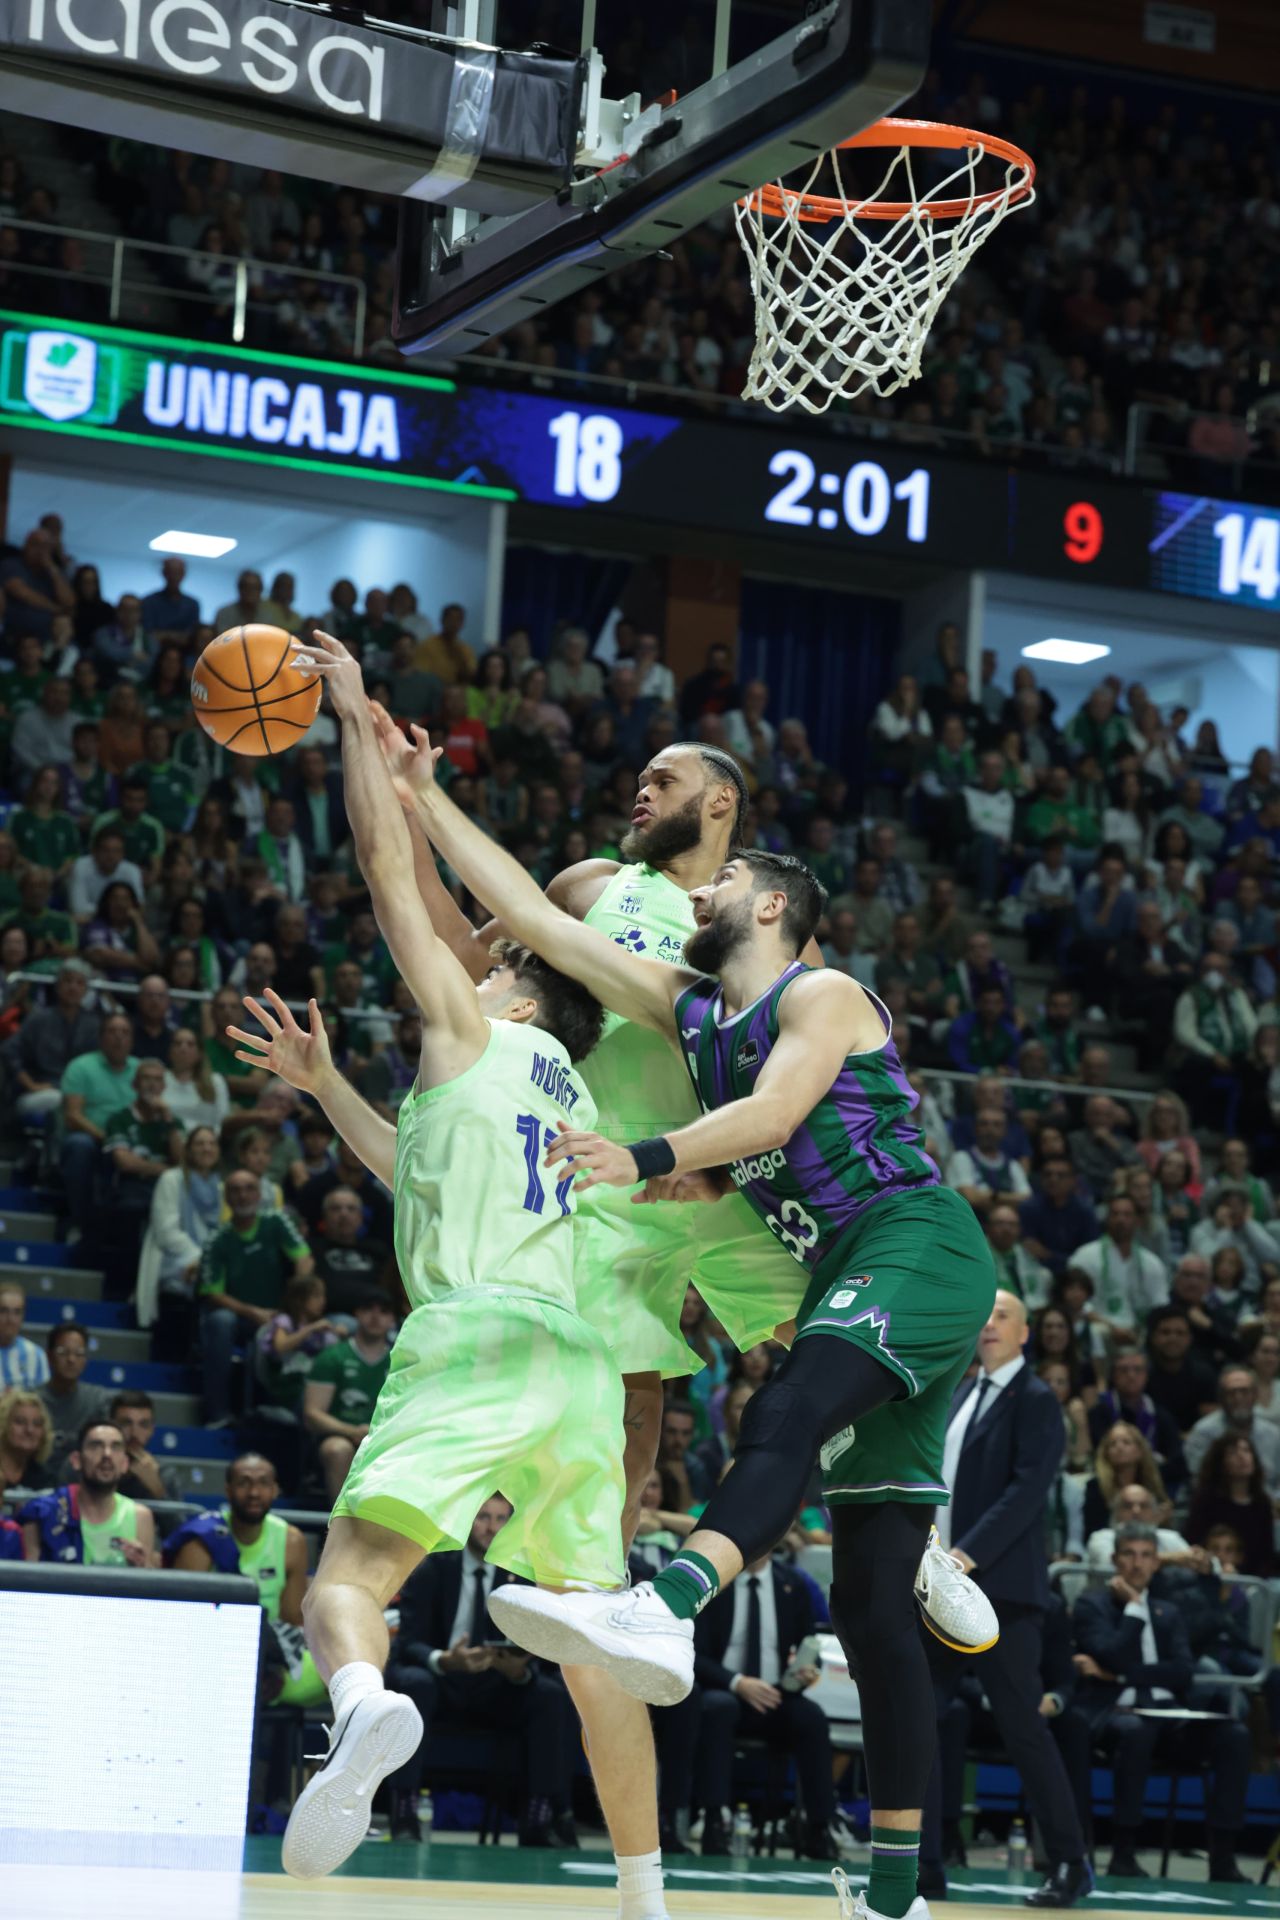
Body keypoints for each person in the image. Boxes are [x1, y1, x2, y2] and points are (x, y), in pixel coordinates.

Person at [386, 712, 998, 1920]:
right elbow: (544, 919)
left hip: (899, 1243)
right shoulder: (690, 1011)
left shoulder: (822, 992)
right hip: (810, 1255)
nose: (701, 894)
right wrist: (422, 800)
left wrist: (643, 1148)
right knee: (873, 1612)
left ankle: (660, 1608)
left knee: (787, 1404)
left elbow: (772, 1122)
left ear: (767, 905)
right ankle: (892, 1895)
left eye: (723, 884)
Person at [229, 641, 649, 1915]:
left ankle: (360, 1707)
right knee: (592, 1660)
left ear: (514, 982)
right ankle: (647, 1894)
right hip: (577, 1371)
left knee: (345, 1582)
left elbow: (376, 872)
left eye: (490, 950)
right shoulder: (562, 1088)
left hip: (470, 1340)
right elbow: (419, 1166)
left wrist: (353, 721)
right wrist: (325, 1091)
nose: (470, 952)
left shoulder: (469, 1025)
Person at [923, 1291, 1093, 1909]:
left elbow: (1027, 1492)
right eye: (983, 1314)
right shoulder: (962, 1393)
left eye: (1002, 1316)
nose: (989, 1324)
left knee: (1023, 1729)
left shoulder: (1039, 1400)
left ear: (1027, 1334)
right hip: (940, 1586)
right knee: (919, 1719)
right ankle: (924, 1865)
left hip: (999, 1591)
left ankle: (1072, 1863)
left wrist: (965, 1554)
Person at [383, 1497, 581, 1847]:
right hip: (442, 1681)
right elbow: (408, 1644)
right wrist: (444, 1660)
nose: (492, 1528)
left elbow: (541, 1648)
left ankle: (539, 1816)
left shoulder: (522, 1575)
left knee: (549, 1695)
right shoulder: (433, 1567)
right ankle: (404, 1813)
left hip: (495, 1684)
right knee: (414, 1684)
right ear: (467, 1520)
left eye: (501, 1519)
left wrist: (519, 1670)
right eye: (484, 1518)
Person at [1071, 1523, 1251, 1882]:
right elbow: (1111, 1652)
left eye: (1146, 1556)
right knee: (1137, 1731)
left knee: (1235, 1735)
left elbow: (1182, 1671)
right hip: (1116, 1715)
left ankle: (1223, 1859)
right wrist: (1135, 1611)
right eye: (1129, 1555)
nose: (1138, 1564)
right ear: (1114, 1560)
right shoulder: (1092, 1604)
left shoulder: (1169, 1610)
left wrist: (1118, 1675)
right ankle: (1123, 1853)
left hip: (1169, 1715)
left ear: (1156, 1563)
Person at [692, 1549, 840, 1861]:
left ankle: (818, 1827)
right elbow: (695, 1653)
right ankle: (714, 1821)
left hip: (775, 1693)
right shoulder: (716, 1584)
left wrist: (805, 1671)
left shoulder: (793, 1585)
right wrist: (738, 1683)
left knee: (811, 1719)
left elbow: (809, 1646)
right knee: (717, 1709)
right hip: (726, 1688)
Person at [197, 1167, 314, 1425]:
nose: (243, 1196)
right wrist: (252, 1312)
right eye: (235, 1190)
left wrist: (292, 1307)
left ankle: (298, 1419)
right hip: (241, 1318)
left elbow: (304, 1260)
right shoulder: (217, 1240)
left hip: (281, 1314)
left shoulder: (276, 1222)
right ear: (226, 1198)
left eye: (249, 1188)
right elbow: (213, 1294)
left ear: (260, 1194)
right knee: (219, 1321)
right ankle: (218, 1414)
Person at [19, 1416, 157, 1566]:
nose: (107, 1454)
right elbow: (27, 1579)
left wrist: (141, 1566)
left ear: (124, 1464)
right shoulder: (45, 1511)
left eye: (115, 1447)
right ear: (76, 1460)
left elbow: (149, 1584)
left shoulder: (140, 1516)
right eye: (96, 1446)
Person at [303, 1288, 397, 1505]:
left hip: (384, 1439)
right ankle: (339, 1524)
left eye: (383, 1311)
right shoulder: (333, 1357)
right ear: (357, 1314)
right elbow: (312, 1414)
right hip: (339, 1434)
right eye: (368, 1309)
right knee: (338, 1450)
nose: (375, 1316)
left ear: (393, 1320)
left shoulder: (401, 1362)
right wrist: (352, 1431)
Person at [1186, 1433, 1275, 1576]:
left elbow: (1266, 1553)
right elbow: (1194, 1543)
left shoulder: (1262, 1503)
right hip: (1210, 1574)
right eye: (1233, 1452)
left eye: (1246, 1450)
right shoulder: (1206, 1500)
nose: (1242, 1457)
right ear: (1221, 1461)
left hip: (1254, 1580)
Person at [1184, 1364, 1280, 1498]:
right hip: (1219, 1506)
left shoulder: (1273, 1434)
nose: (1238, 1398)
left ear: (1255, 1395)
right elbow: (1200, 1481)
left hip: (1269, 1508)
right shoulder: (1203, 1433)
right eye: (1231, 1393)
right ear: (1221, 1398)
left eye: (1244, 1391)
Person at [37, 1321, 106, 1480]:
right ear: (49, 1355)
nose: (71, 1359)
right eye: (63, 1352)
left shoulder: (97, 1400)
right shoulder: (32, 1401)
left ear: (85, 1359)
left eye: (79, 1353)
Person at [0, 1385, 55, 1492]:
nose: (29, 1430)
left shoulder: (46, 1479)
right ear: (3, 1425)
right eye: (20, 1422)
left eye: (37, 1424)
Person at [0, 1281, 49, 1389]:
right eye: (3, 1311)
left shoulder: (36, 1355)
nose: (10, 1319)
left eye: (17, 1312)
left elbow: (43, 1402)